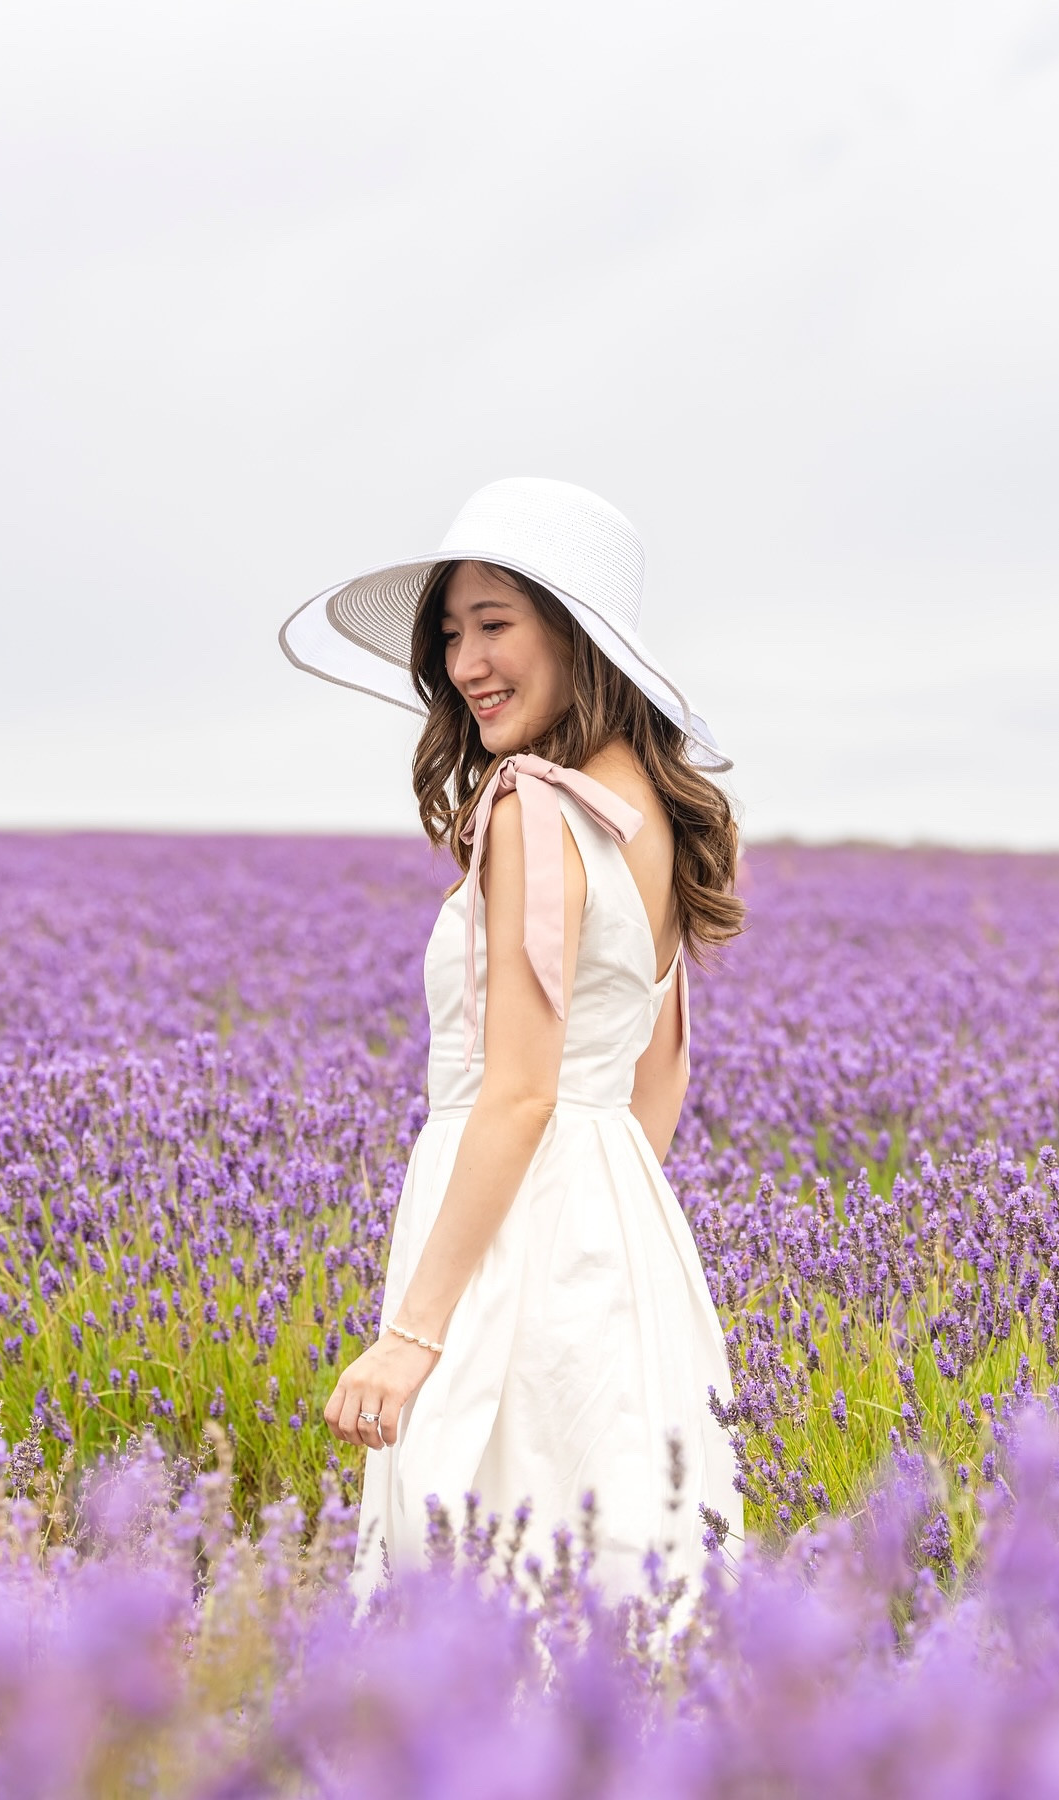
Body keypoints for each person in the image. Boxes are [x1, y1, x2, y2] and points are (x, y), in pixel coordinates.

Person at [278, 476, 745, 1601]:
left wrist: (415, 1331)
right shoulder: (661, 815)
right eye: (450, 635)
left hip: (503, 1212)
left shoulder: (535, 807)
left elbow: (521, 1093)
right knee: (627, 1559)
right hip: (623, 1229)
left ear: (578, 637)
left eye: (496, 625)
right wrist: (596, 1231)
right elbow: (660, 1067)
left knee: (479, 1556)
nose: (466, 663)